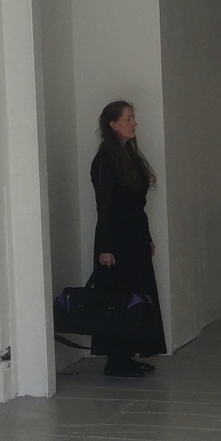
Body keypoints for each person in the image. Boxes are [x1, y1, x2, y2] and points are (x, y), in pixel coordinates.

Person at [90, 100, 166, 378]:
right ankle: (116, 360)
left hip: (134, 237)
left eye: (133, 118)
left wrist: (146, 238)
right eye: (128, 119)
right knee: (119, 297)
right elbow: (104, 206)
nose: (134, 123)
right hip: (117, 241)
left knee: (136, 295)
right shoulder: (105, 160)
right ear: (113, 125)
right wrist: (106, 248)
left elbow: (136, 205)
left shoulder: (128, 156)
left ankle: (128, 356)